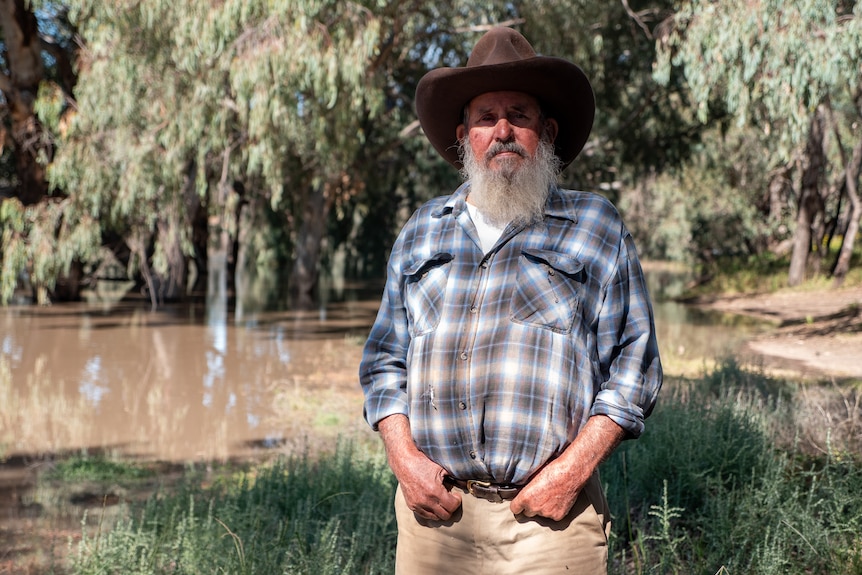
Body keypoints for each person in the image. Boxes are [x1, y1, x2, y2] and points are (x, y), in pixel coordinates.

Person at [359, 26, 661, 574]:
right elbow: (384, 362)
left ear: (545, 132)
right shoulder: (423, 230)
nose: (502, 131)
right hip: (435, 516)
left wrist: (570, 474)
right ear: (463, 135)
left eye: (518, 115)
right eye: (485, 117)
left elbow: (635, 369)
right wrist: (403, 461)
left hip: (550, 521)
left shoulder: (594, 226)